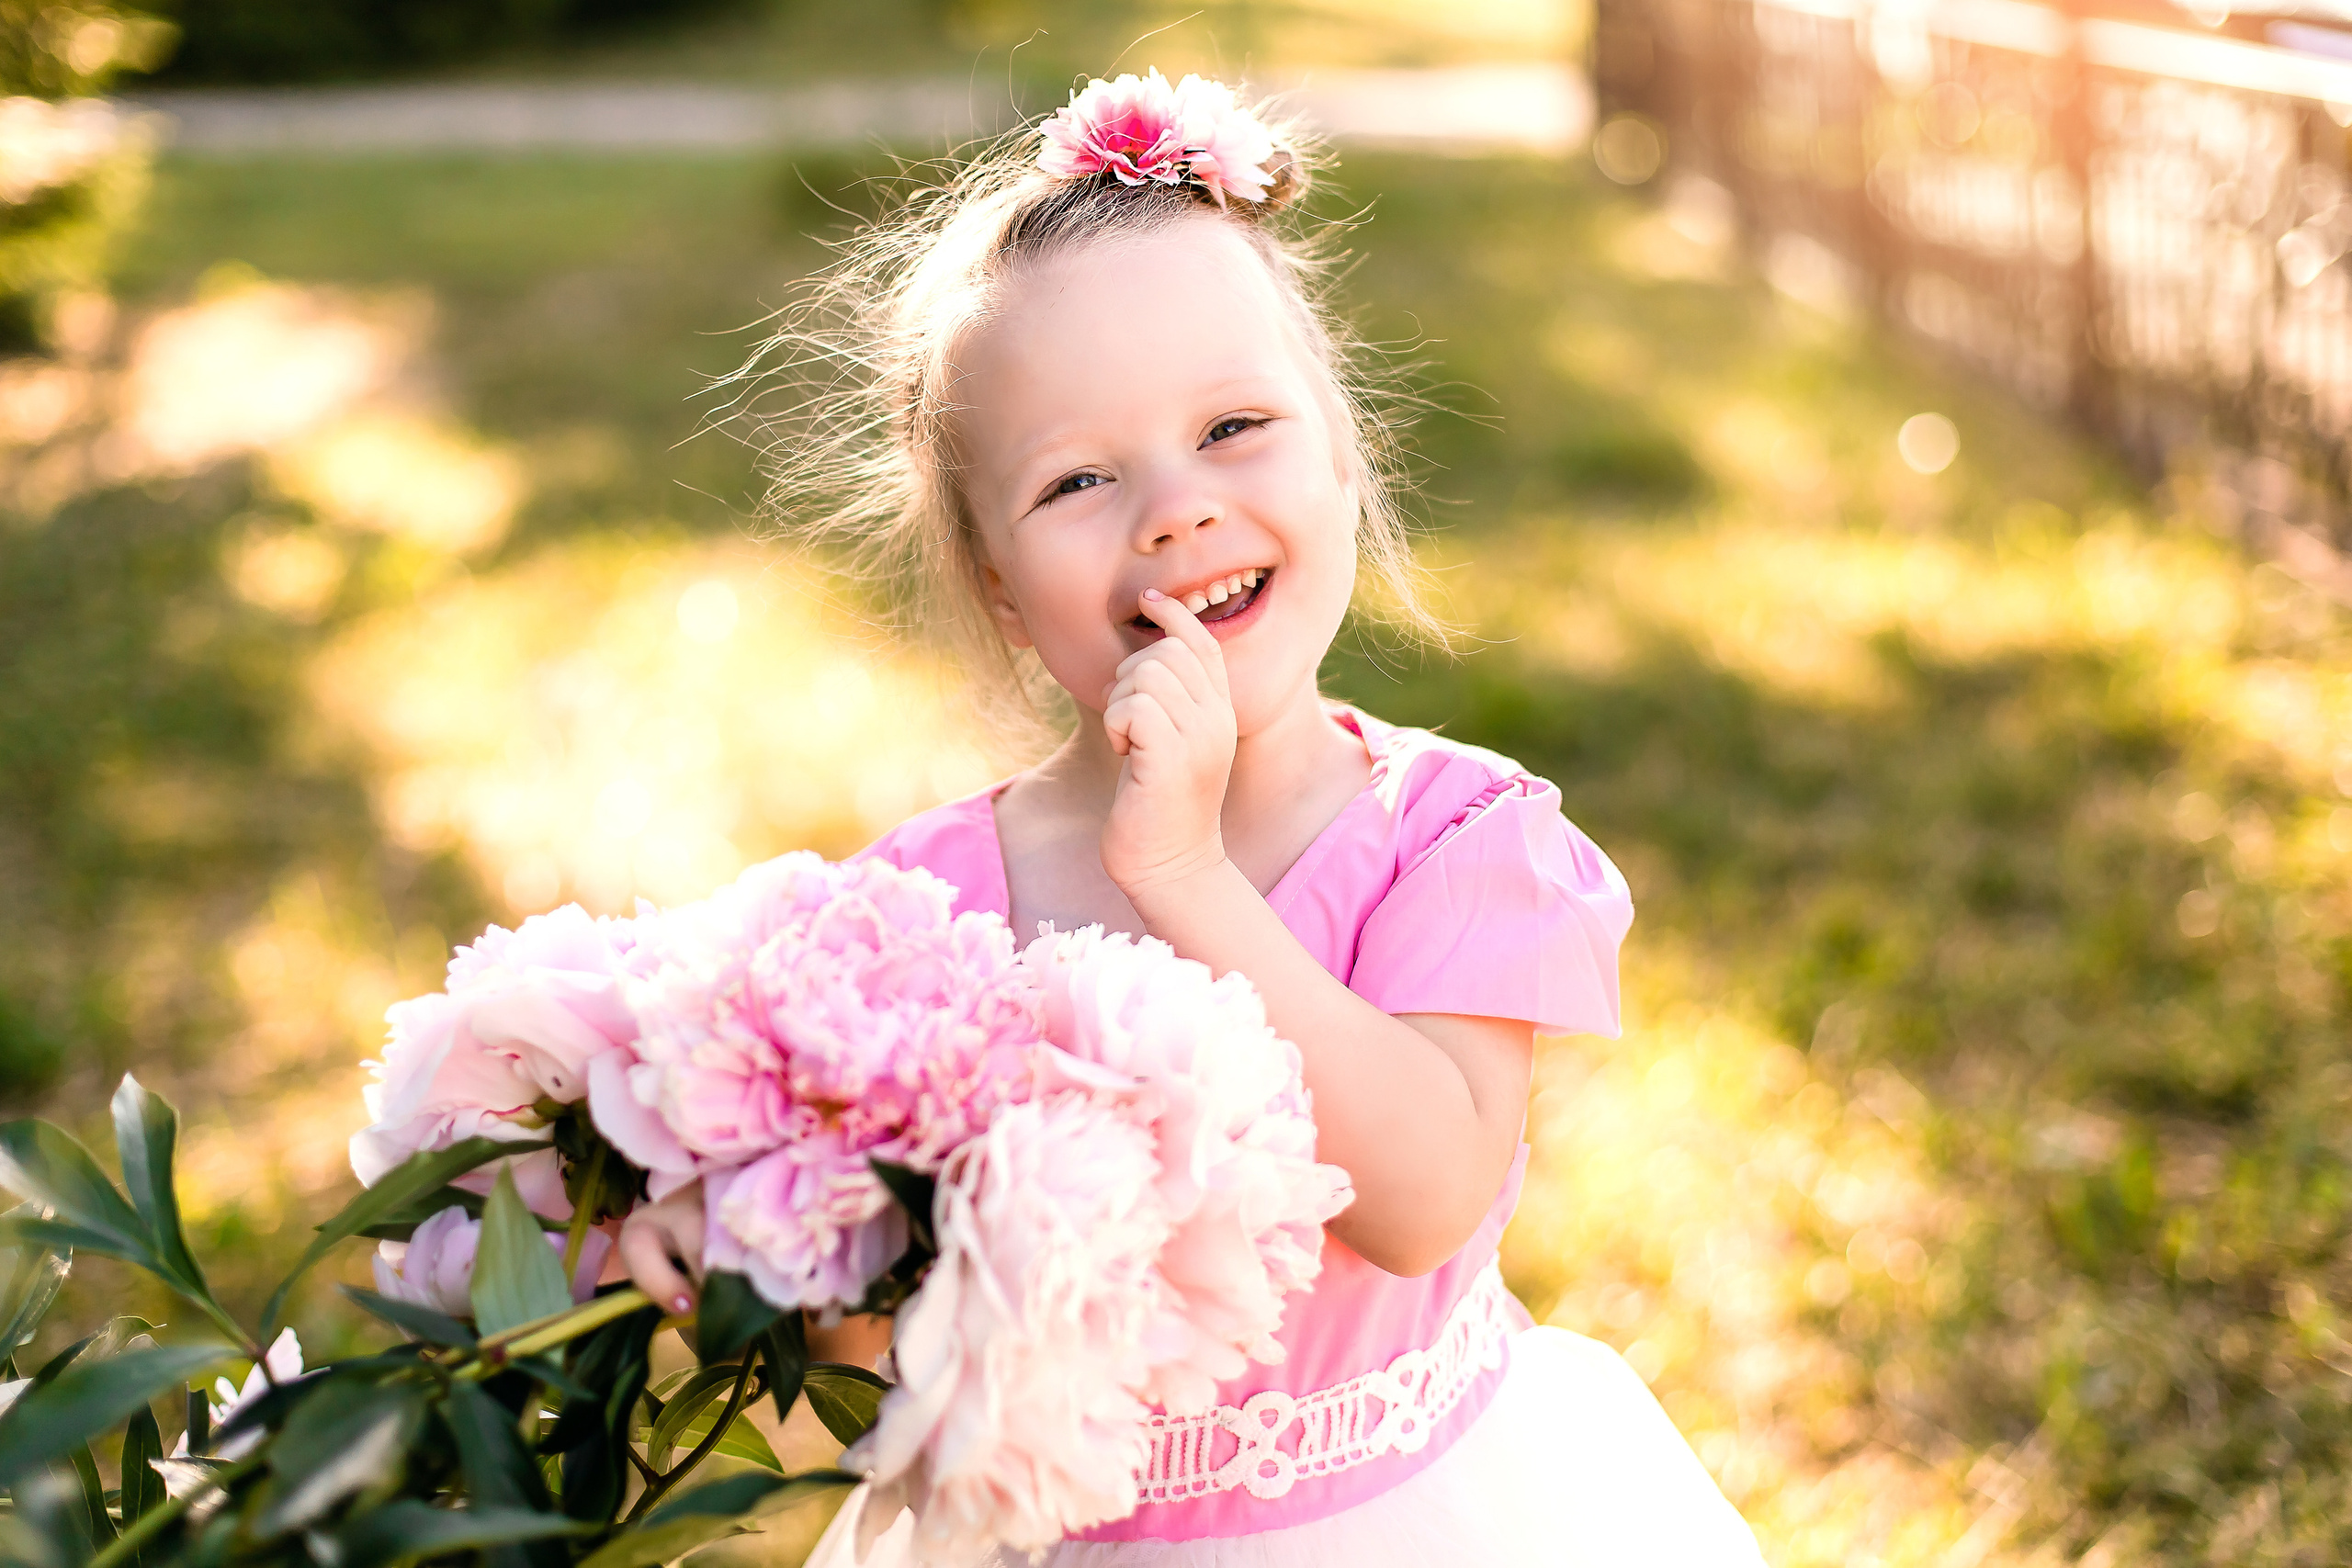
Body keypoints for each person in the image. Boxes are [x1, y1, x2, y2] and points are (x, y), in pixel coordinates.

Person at [616, 69, 1765, 1567]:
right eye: (1080, 479)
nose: (1175, 509)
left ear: (1341, 453)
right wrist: (755, 1258)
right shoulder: (928, 912)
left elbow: (1421, 1198)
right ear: (999, 593)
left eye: (1234, 426)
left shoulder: (1457, 837)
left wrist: (1185, 877)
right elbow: (882, 1326)